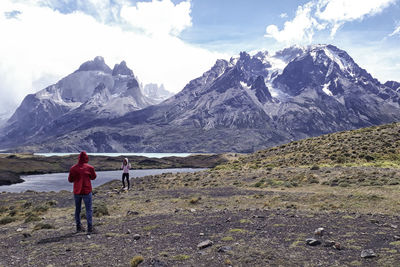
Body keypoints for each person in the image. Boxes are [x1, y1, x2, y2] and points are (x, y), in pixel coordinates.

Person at [68, 151, 97, 233]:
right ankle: (90, 228)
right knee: (89, 209)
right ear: (86, 158)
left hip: (77, 191)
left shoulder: (73, 168)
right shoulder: (90, 168)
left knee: (78, 209)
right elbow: (93, 177)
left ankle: (78, 226)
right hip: (86, 191)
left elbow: (70, 180)